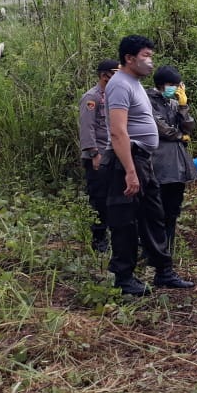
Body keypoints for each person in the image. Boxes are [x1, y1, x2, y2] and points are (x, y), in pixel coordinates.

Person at [102, 35, 194, 296]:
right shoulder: (120, 85)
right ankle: (124, 277)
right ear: (129, 58)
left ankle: (163, 271)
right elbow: (118, 132)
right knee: (125, 220)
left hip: (143, 160)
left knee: (154, 216)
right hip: (128, 161)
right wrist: (130, 171)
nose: (150, 62)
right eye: (146, 56)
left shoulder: (134, 83)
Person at [147, 65, 197, 255]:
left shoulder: (173, 103)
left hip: (177, 165)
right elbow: (159, 127)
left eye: (178, 85)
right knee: (155, 209)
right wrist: (179, 136)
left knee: (172, 209)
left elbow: (188, 127)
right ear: (162, 84)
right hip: (158, 162)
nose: (176, 89)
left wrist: (184, 105)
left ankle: (168, 247)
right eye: (172, 85)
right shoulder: (148, 101)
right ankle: (153, 249)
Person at [78, 58, 119, 252]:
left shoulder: (114, 96)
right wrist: (94, 154)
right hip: (98, 156)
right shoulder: (91, 98)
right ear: (105, 76)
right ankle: (99, 238)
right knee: (99, 199)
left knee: (115, 197)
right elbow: (87, 128)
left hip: (113, 154)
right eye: (116, 74)